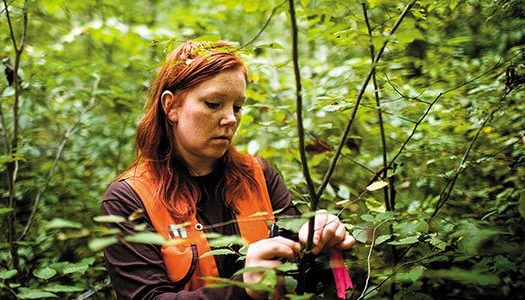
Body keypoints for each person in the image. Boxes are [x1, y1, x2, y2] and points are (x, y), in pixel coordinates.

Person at [100, 40, 355, 299]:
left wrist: (321, 241)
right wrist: (243, 288)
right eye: (213, 104)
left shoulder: (258, 175)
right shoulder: (129, 199)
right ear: (171, 106)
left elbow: (303, 274)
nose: (231, 119)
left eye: (237, 106)